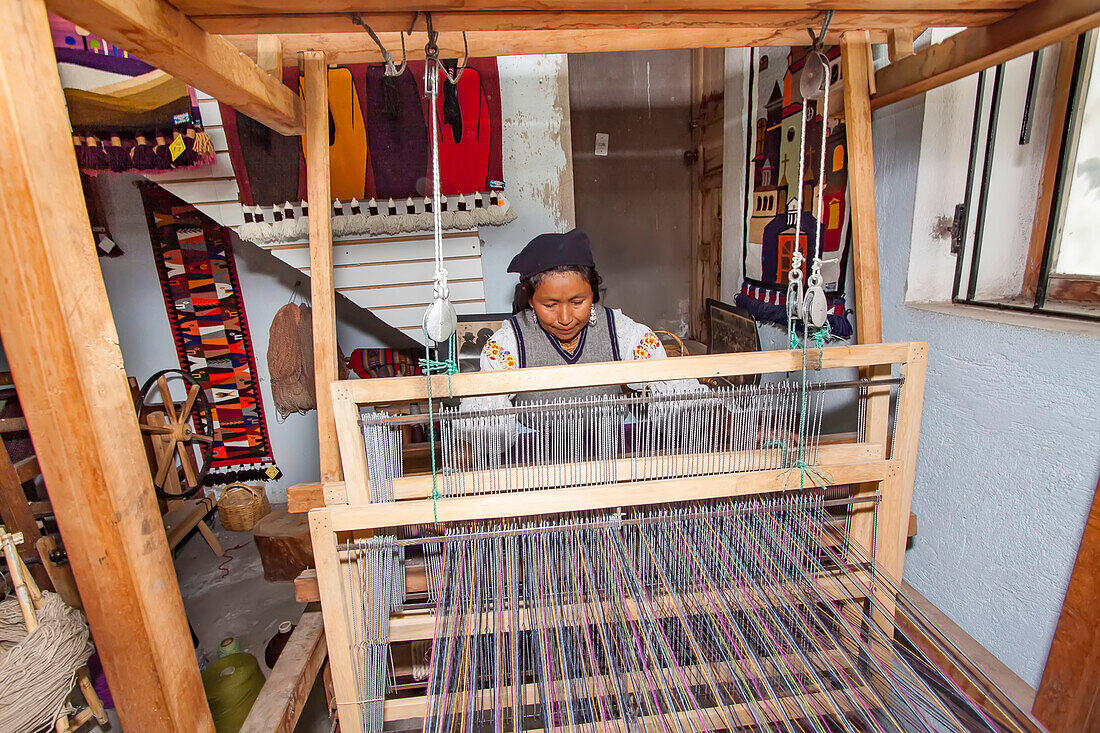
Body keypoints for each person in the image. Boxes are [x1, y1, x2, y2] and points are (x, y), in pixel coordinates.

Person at [461, 228, 703, 419]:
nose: (566, 318)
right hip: (538, 451)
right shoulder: (509, 343)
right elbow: (486, 409)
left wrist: (709, 415)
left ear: (594, 293)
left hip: (614, 447)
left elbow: (670, 384)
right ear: (530, 299)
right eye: (550, 305)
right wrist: (470, 443)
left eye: (577, 301)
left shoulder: (620, 331)